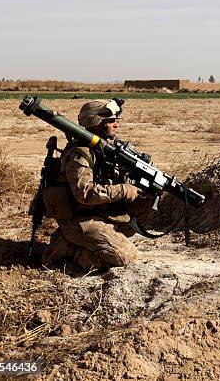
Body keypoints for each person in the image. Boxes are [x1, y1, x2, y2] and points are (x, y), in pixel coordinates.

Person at [42, 99, 152, 270]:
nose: (116, 125)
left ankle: (90, 240)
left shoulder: (105, 149)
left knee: (145, 207)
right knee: (125, 257)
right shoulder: (80, 154)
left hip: (99, 212)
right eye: (111, 121)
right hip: (79, 219)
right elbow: (85, 193)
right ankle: (68, 248)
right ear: (97, 123)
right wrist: (124, 190)